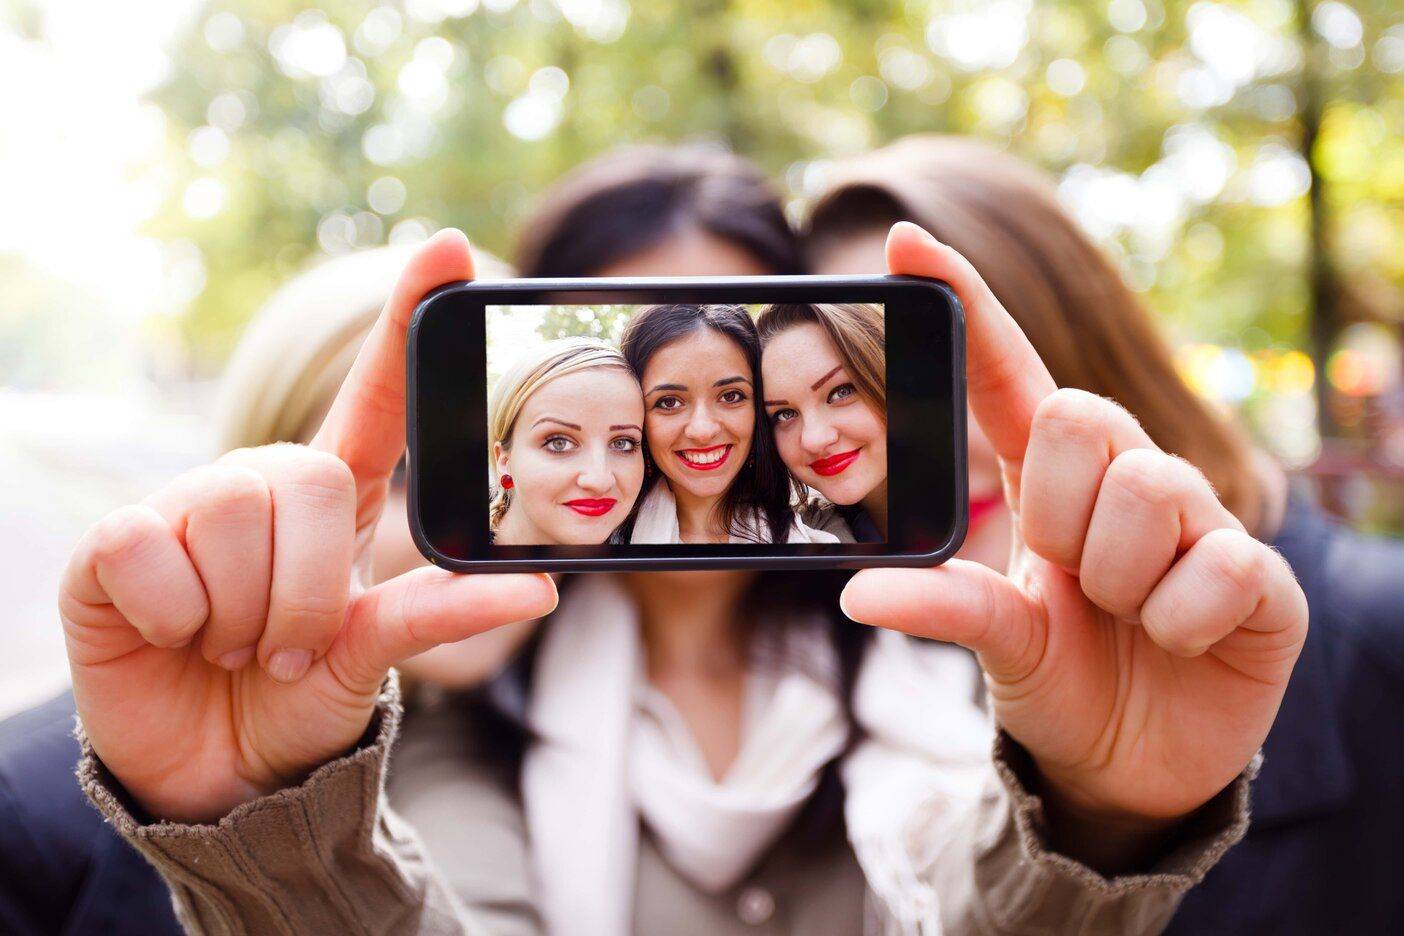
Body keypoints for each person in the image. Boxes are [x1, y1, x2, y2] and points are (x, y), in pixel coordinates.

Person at [60, 127, 1307, 936]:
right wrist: (268, 834)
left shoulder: (937, 651)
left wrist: (1091, 820)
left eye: (739, 380)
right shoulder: (452, 696)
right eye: (655, 388)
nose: (698, 429)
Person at [804, 133, 1404, 934]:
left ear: (1074, 338)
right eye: (845, 395)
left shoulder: (1381, 633)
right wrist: (1092, 819)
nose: (902, 454)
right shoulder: (867, 694)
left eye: (936, 373)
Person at [0, 244, 518, 934]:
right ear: (271, 481)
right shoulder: (27, 813)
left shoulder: (579, 725)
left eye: (530, 452)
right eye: (408, 476)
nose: (487, 525)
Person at [619, 302, 836, 544]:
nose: (703, 430)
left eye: (730, 396)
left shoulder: (823, 537)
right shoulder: (597, 544)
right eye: (669, 402)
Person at [488, 338, 645, 545]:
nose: (599, 481)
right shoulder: (441, 569)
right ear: (504, 461)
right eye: (559, 443)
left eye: (622, 443)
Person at [757, 302, 888, 542]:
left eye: (841, 392)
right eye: (784, 414)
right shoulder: (804, 537)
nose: (813, 439)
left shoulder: (973, 499)